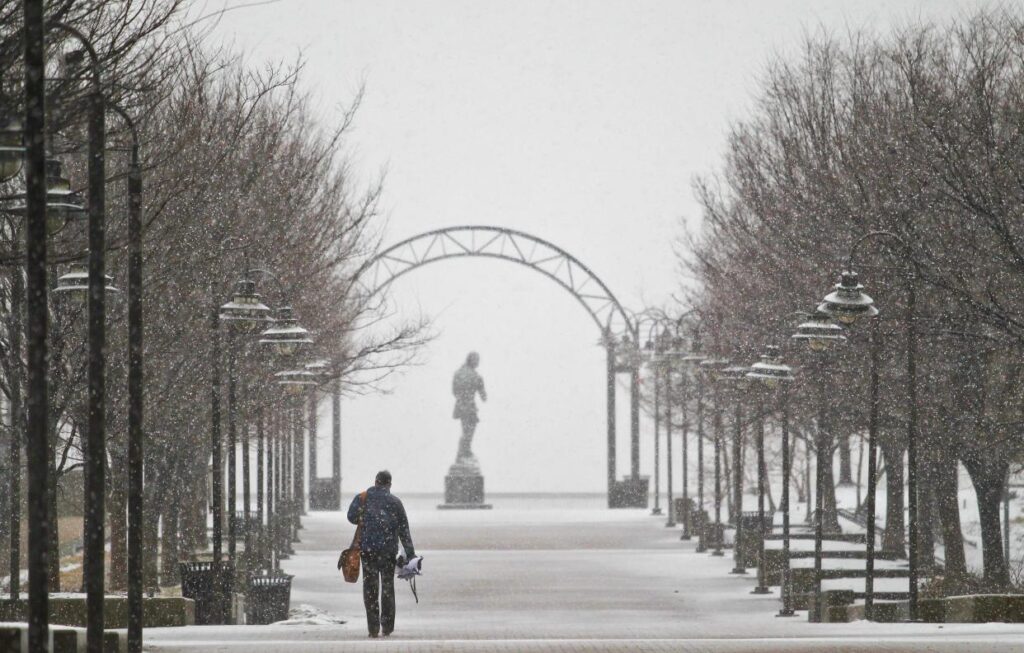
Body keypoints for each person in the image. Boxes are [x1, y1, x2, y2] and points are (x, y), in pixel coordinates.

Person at [347, 470, 415, 638]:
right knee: (387, 587)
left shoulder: (362, 498)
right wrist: (410, 554)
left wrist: (364, 518)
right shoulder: (395, 502)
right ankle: (387, 626)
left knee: (370, 587)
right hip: (388, 551)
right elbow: (404, 530)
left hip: (368, 550)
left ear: (375, 482)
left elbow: (351, 517)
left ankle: (373, 627)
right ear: (389, 484)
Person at [452, 351, 487, 461]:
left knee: (466, 429)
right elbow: (483, 395)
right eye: (476, 360)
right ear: (471, 360)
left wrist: (462, 397)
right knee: (468, 430)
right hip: (469, 406)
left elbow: (454, 390)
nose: (478, 363)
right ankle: (464, 452)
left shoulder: (458, 373)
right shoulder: (476, 376)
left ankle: (463, 451)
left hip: (462, 405)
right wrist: (481, 394)